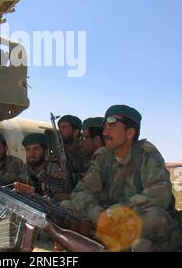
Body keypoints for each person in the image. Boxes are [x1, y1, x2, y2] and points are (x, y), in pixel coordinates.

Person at [70, 105, 182, 252]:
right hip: (111, 223)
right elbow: (80, 192)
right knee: (66, 207)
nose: (105, 131)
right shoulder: (102, 157)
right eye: (105, 126)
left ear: (130, 133)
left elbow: (160, 194)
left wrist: (112, 214)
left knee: (154, 217)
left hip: (148, 225)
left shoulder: (147, 154)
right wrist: (97, 214)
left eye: (112, 126)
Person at [57, 115, 88, 184]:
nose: (60, 131)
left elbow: (92, 178)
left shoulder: (86, 151)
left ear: (76, 132)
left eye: (64, 128)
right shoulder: (60, 151)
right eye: (59, 128)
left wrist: (70, 176)